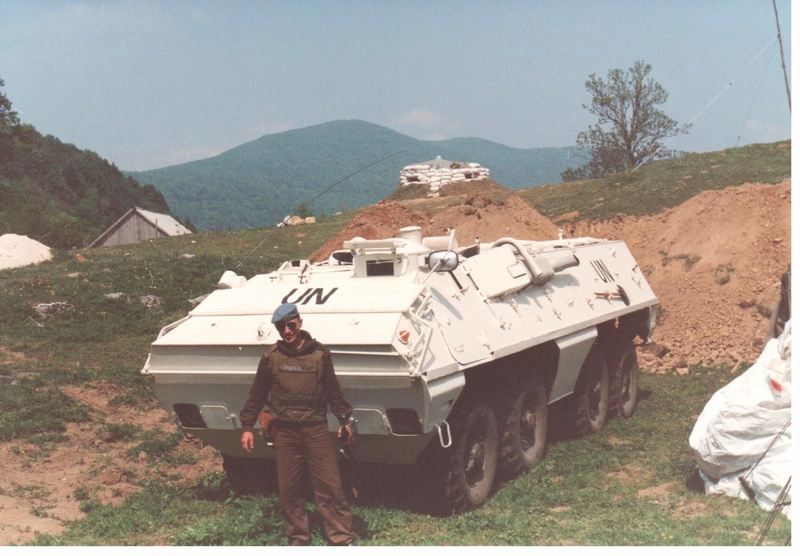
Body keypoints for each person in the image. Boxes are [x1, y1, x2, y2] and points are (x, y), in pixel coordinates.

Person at [239, 303, 356, 546]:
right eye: (281, 327)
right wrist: (247, 427)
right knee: (289, 491)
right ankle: (298, 539)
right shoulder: (271, 357)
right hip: (285, 433)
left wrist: (344, 421)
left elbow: (334, 392)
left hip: (315, 430)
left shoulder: (320, 355)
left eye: (290, 326)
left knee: (330, 488)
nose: (286, 332)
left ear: (299, 322)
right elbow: (257, 394)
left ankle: (342, 539)